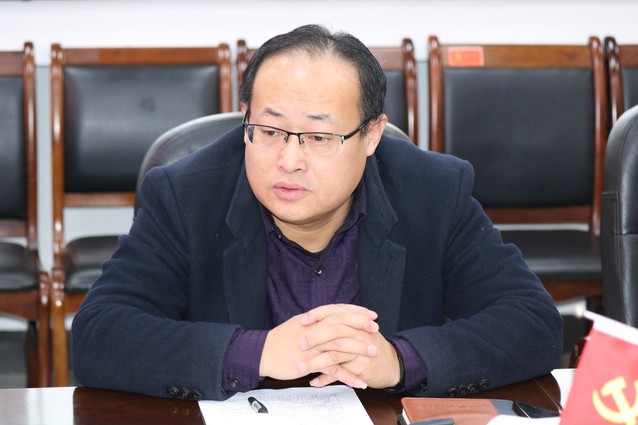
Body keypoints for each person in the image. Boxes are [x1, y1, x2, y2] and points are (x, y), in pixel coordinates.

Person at [72, 24, 563, 401]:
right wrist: (257, 352)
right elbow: (100, 335)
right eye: (269, 130)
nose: (289, 160)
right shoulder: (185, 195)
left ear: (371, 135)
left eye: (319, 137)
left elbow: (532, 323)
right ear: (245, 116)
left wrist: (399, 361)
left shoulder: (433, 191)